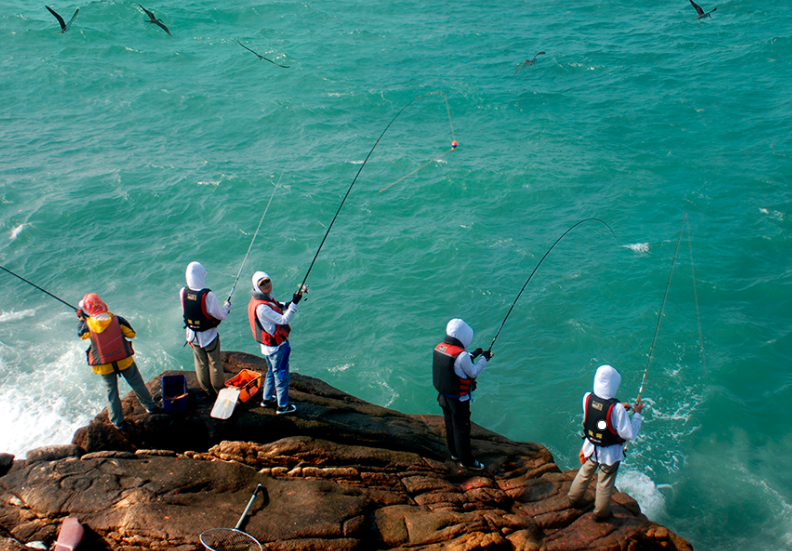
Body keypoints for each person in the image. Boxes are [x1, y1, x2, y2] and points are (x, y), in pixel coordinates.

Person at [568, 364, 644, 522]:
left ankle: (573, 498)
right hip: (609, 453)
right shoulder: (617, 409)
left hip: (591, 447)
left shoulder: (587, 397)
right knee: (605, 481)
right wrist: (636, 415)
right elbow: (628, 433)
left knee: (585, 472)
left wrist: (619, 408)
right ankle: (601, 513)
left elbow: (597, 412)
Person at [77, 293, 157, 430]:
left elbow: (81, 336)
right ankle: (150, 407)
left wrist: (81, 320)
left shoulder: (88, 325)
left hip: (104, 365)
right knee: (137, 384)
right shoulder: (117, 319)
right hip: (124, 360)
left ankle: (117, 421)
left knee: (111, 392)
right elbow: (132, 334)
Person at [433, 318, 492, 470]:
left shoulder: (440, 347)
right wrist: (484, 358)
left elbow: (456, 364)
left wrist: (474, 354)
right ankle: (467, 461)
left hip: (443, 397)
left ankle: (454, 453)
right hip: (459, 401)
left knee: (450, 425)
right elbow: (472, 372)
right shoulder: (462, 356)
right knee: (462, 430)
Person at [248, 271, 305, 415]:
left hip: (267, 347)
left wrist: (291, 302)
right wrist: (295, 305)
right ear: (257, 286)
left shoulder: (261, 300)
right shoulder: (262, 307)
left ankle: (266, 399)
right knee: (281, 375)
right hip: (276, 347)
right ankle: (282, 406)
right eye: (262, 283)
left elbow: (277, 305)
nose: (266, 284)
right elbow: (282, 320)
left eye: (267, 280)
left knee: (270, 372)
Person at [180, 261, 231, 396]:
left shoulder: (183, 292)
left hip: (192, 335)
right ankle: (218, 389)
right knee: (215, 363)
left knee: (201, 363)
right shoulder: (208, 295)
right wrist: (227, 306)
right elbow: (220, 315)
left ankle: (207, 390)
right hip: (208, 336)